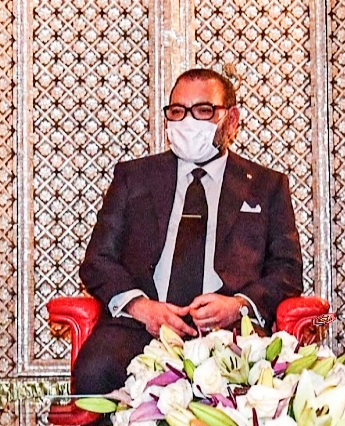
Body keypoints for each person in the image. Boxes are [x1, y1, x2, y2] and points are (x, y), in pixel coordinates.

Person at [73, 68, 303, 394]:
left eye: (203, 110)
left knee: (260, 382)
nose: (188, 121)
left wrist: (238, 305)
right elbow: (98, 261)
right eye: (178, 111)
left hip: (230, 331)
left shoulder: (267, 186)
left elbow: (287, 271)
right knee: (95, 370)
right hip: (142, 326)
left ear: (232, 120)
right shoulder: (133, 178)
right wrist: (141, 307)